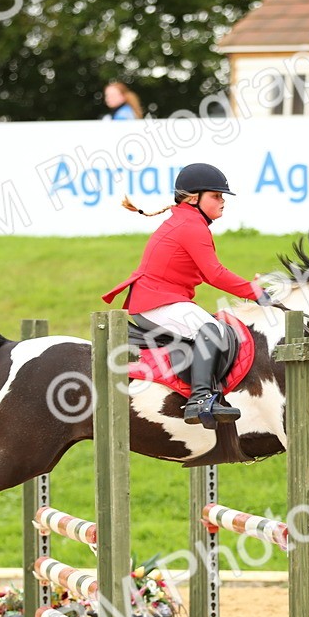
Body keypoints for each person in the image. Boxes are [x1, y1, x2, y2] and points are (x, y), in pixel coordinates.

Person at [103, 163, 271, 427]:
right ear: (194, 198)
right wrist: (257, 293)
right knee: (211, 330)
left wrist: (251, 289)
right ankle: (201, 399)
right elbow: (215, 274)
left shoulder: (187, 220)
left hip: (159, 299)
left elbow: (208, 273)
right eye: (216, 196)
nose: (222, 201)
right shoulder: (191, 226)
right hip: (156, 301)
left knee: (210, 327)